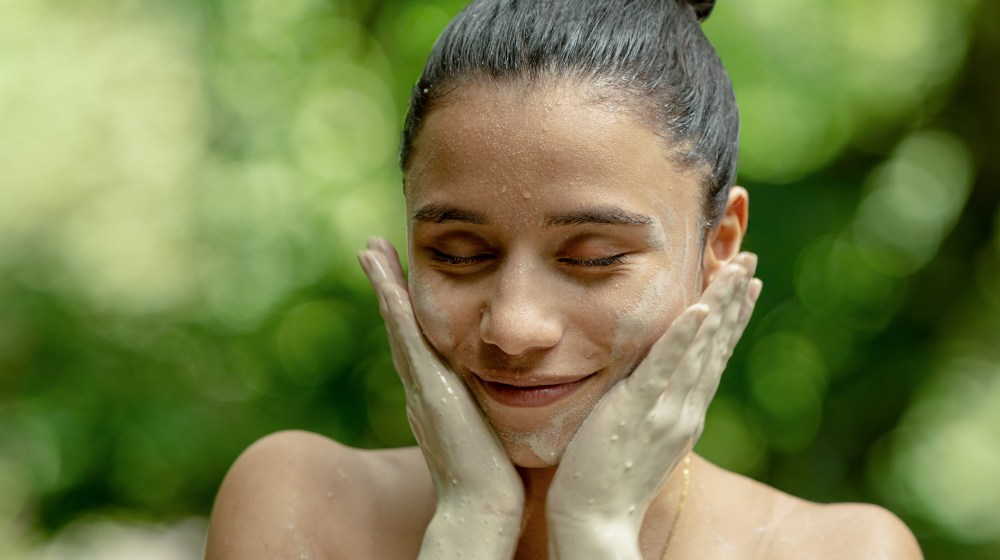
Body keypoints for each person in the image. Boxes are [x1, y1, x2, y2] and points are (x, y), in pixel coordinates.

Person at [204, 1, 923, 558]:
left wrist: (598, 534)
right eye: (457, 253)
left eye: (591, 259)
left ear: (719, 247)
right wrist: (467, 528)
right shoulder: (299, 506)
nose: (514, 326)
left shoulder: (839, 550)